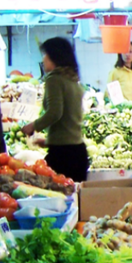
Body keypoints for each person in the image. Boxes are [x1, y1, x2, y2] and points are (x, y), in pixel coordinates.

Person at [21, 37, 89, 182]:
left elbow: (55, 112)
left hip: (63, 156)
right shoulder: (72, 80)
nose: (43, 59)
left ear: (54, 57)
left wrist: (33, 126)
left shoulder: (54, 79)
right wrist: (49, 141)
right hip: (77, 151)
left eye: (45, 55)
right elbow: (68, 119)